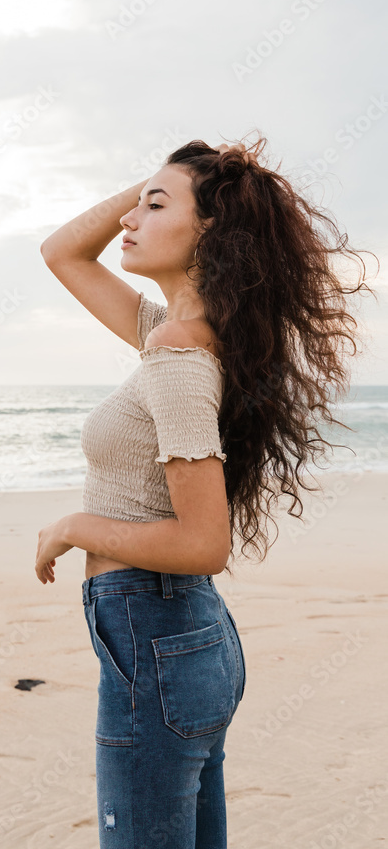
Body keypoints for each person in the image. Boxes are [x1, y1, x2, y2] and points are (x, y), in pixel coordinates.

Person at [34, 133, 375, 848]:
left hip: (157, 636)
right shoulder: (185, 333)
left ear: (211, 229)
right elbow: (62, 252)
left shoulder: (178, 351)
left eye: (153, 207)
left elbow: (201, 542)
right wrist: (162, 186)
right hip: (176, 640)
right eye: (134, 205)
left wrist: (73, 525)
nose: (129, 220)